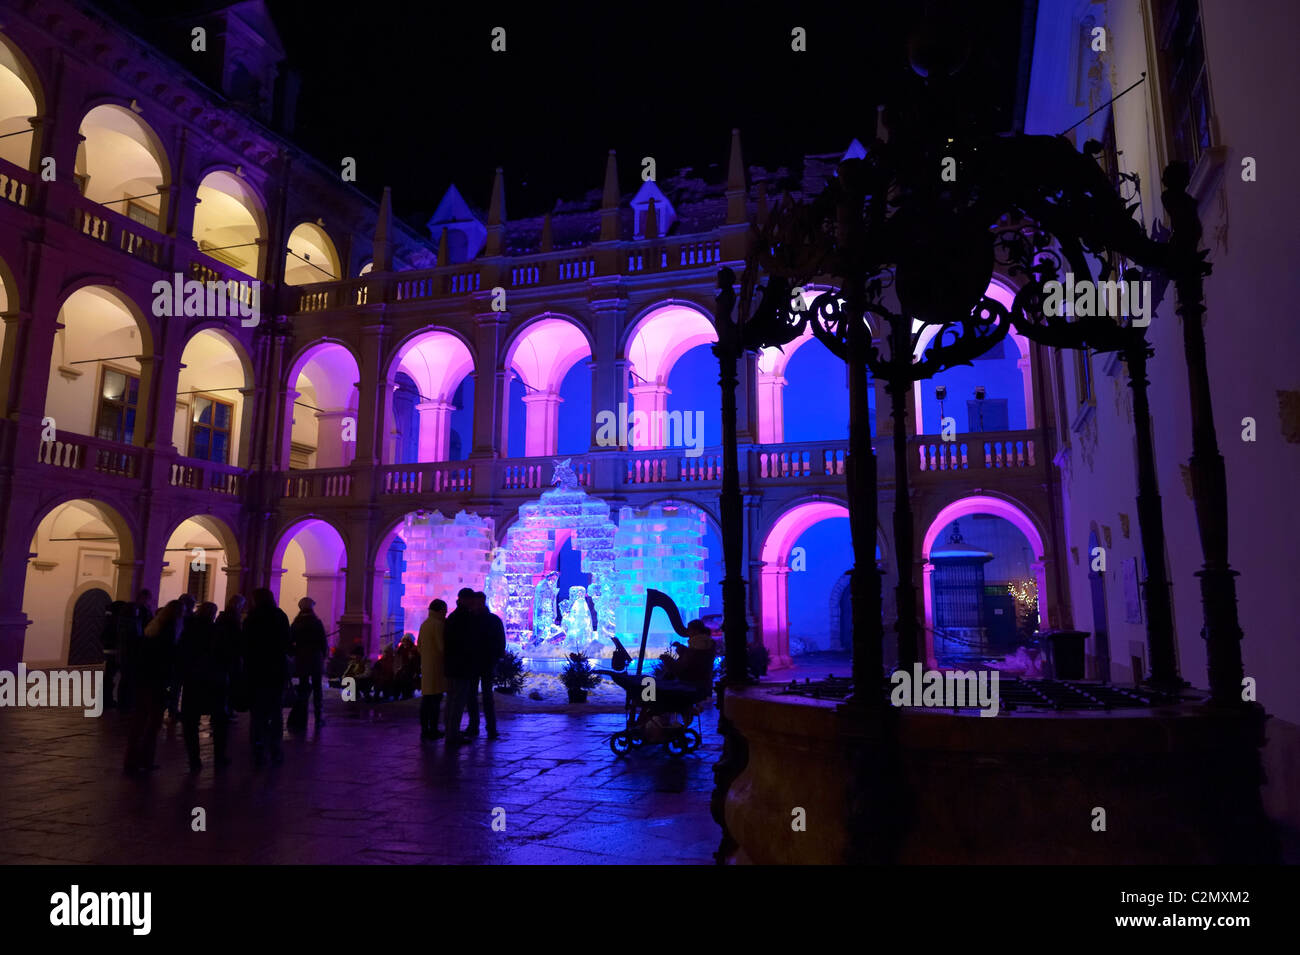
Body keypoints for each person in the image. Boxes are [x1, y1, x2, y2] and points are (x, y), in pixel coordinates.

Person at [123, 600, 181, 774]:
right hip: (157, 683)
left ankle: (131, 759)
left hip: (143, 681)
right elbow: (168, 661)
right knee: (153, 723)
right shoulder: (169, 633)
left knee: (139, 721)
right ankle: (145, 759)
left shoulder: (150, 630)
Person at [176, 601, 230, 772]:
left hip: (193, 679)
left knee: (190, 721)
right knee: (219, 719)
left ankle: (194, 758)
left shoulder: (188, 630)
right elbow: (225, 656)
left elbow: (181, 654)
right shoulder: (218, 631)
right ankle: (219, 756)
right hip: (214, 679)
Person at [243, 588, 290, 767]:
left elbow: (245, 644)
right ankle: (276, 748)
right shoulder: (279, 616)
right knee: (275, 710)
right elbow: (287, 641)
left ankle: (257, 748)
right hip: (276, 669)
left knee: (257, 713)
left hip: (256, 670)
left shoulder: (252, 618)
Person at [465, 591, 504, 740]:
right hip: (479, 662)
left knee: (483, 695)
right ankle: (480, 726)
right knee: (476, 695)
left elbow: (500, 640)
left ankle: (485, 726)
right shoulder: (489, 620)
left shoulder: (475, 620)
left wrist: (497, 656)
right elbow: (500, 641)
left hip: (482, 662)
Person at [442, 589, 478, 746]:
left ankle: (450, 731)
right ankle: (453, 734)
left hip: (452, 665)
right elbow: (468, 643)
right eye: (471, 599)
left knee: (451, 700)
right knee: (458, 701)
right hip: (461, 665)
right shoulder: (465, 617)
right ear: (465, 599)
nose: (473, 603)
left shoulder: (452, 617)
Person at [289, 596, 328, 727]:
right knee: (317, 687)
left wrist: (293, 654)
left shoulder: (296, 623)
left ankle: (302, 715)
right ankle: (318, 716)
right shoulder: (317, 622)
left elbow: (290, 641)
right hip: (315, 657)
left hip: (301, 657)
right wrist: (324, 655)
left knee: (303, 686)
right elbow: (323, 641)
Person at [417, 599, 448, 740]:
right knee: (435, 699)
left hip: (427, 665)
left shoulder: (425, 624)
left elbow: (419, 646)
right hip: (437, 666)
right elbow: (442, 647)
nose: (446, 612)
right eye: (444, 610)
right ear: (439, 610)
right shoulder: (438, 625)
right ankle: (433, 728)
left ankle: (425, 729)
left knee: (427, 699)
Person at [395, 634, 420, 699]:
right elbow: (398, 658)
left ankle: (408, 693)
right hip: (403, 668)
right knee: (399, 677)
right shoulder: (401, 648)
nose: (405, 642)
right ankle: (400, 693)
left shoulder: (414, 649)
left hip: (411, 668)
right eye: (404, 641)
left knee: (407, 678)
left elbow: (417, 661)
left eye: (406, 641)